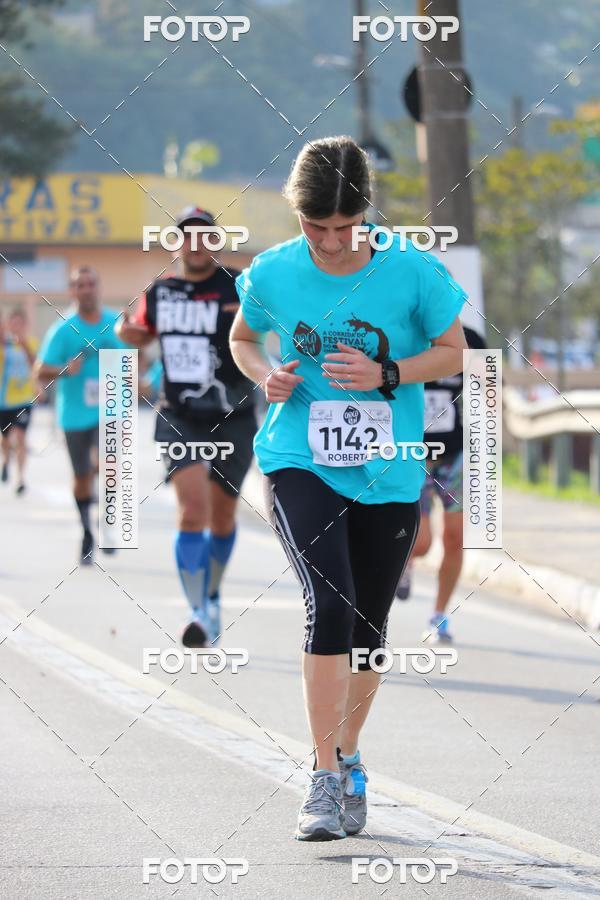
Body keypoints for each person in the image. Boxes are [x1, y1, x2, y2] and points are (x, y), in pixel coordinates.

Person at [230, 136, 467, 841]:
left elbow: (454, 350)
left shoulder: (412, 272)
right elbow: (245, 340)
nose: (331, 243)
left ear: (366, 212)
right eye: (315, 227)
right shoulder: (274, 272)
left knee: (369, 624)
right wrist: (262, 375)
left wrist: (388, 374)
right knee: (327, 602)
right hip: (297, 456)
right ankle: (323, 775)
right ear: (296, 215)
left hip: (389, 465)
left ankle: (351, 755)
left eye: (344, 227)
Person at [116, 206, 257, 648]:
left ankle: (212, 594)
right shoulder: (161, 292)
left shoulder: (240, 284)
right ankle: (197, 609)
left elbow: (270, 324)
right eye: (186, 236)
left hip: (233, 416)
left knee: (222, 517)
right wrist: (130, 335)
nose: (195, 244)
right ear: (175, 244)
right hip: (179, 415)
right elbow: (132, 328)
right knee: (191, 511)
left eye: (204, 236)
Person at [395, 325, 487, 646]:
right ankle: (404, 561)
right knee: (420, 542)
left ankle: (439, 616)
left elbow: (486, 396)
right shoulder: (402, 336)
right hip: (411, 453)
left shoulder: (472, 341)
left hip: (456, 455)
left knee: (455, 538)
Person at [35, 266, 126, 564]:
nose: (86, 290)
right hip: (74, 414)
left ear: (98, 288)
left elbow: (135, 357)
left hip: (110, 409)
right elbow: (40, 370)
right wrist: (63, 370)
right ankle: (87, 530)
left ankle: (109, 526)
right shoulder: (63, 329)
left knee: (109, 465)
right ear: (73, 292)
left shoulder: (115, 323)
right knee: (82, 476)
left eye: (90, 284)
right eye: (79, 285)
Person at [0, 309, 39, 495]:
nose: (16, 327)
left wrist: (24, 347)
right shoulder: (3, 345)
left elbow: (37, 366)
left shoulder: (30, 343)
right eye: (12, 323)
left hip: (24, 400)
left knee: (22, 438)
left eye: (19, 323)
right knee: (5, 439)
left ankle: (21, 478)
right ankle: (6, 461)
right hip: (3, 401)